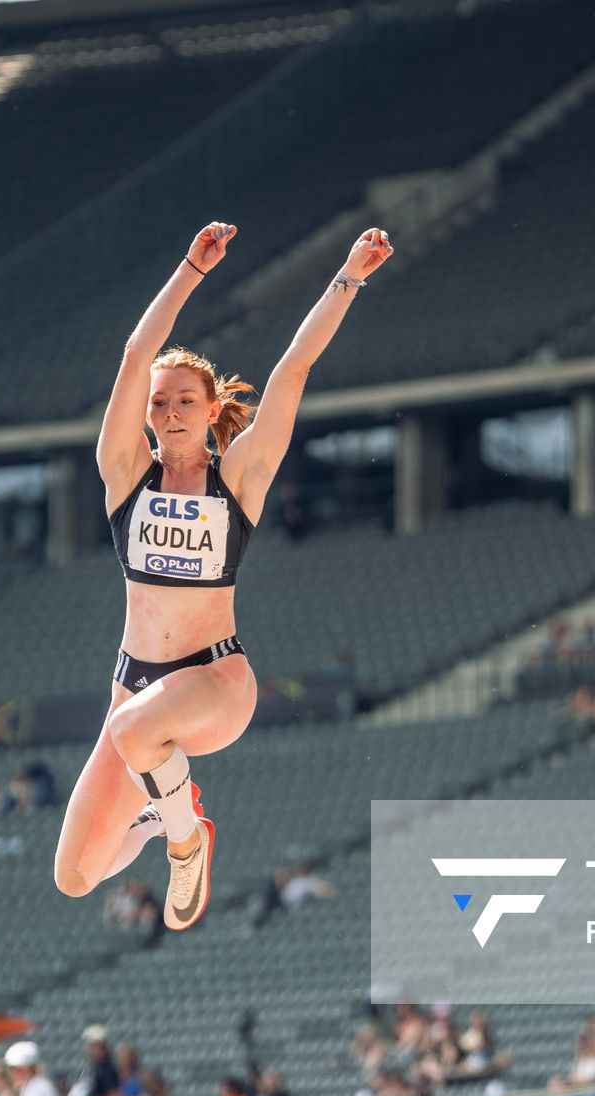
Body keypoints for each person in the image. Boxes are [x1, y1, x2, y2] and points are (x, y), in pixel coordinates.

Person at [50, 221, 394, 932]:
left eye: (184, 400)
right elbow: (134, 353)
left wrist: (350, 278)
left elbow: (292, 371)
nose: (168, 411)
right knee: (77, 875)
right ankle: (159, 820)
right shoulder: (124, 477)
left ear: (211, 412)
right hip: (136, 685)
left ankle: (187, 841)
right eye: (158, 402)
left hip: (214, 683)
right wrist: (189, 270)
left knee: (136, 732)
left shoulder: (236, 478)